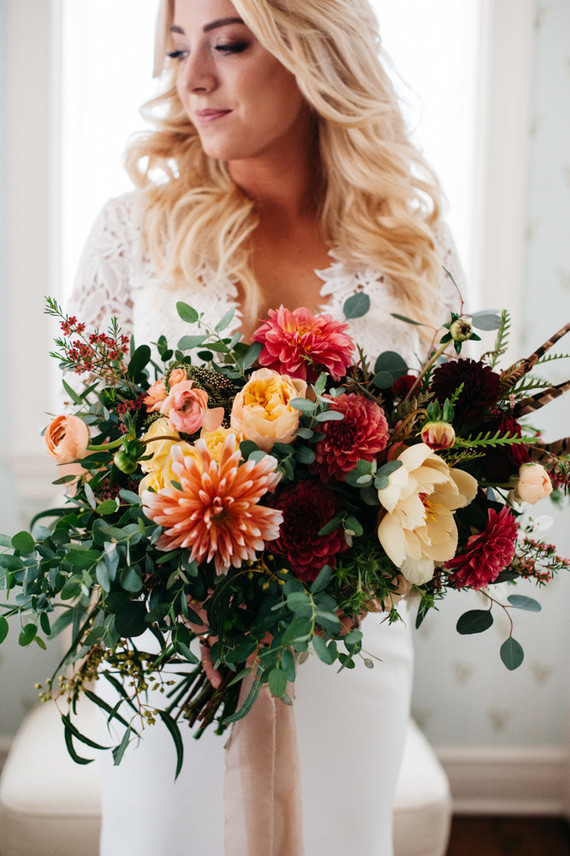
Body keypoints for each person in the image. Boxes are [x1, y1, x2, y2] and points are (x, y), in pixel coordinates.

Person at [68, 1, 463, 853]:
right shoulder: (133, 233)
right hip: (174, 657)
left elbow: (451, 450)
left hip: (348, 649)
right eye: (179, 48)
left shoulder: (410, 247)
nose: (194, 77)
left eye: (230, 44)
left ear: (311, 53)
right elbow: (88, 454)